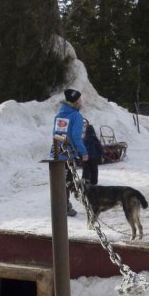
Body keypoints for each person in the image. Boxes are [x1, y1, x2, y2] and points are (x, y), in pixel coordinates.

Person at [51, 88, 88, 216]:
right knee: (67, 181)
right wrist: (83, 152)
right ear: (76, 101)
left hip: (56, 153)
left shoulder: (59, 115)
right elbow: (76, 137)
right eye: (80, 99)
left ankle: (61, 206)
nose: (81, 101)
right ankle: (64, 207)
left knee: (59, 181)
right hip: (68, 154)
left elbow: (55, 134)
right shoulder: (76, 116)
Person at [82, 119, 103, 186]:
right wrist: (101, 154)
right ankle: (94, 182)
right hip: (94, 158)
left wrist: (80, 156)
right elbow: (100, 148)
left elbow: (81, 148)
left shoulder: (84, 140)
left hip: (85, 157)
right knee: (94, 170)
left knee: (86, 170)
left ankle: (85, 181)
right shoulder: (95, 139)